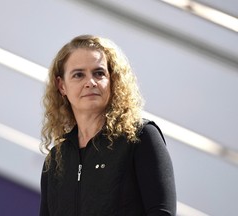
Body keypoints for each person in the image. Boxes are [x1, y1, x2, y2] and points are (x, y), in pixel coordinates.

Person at [39, 35, 176, 216]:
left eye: (99, 73)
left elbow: (162, 212)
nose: (90, 82)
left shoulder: (140, 136)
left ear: (113, 80)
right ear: (61, 85)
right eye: (78, 75)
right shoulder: (56, 160)